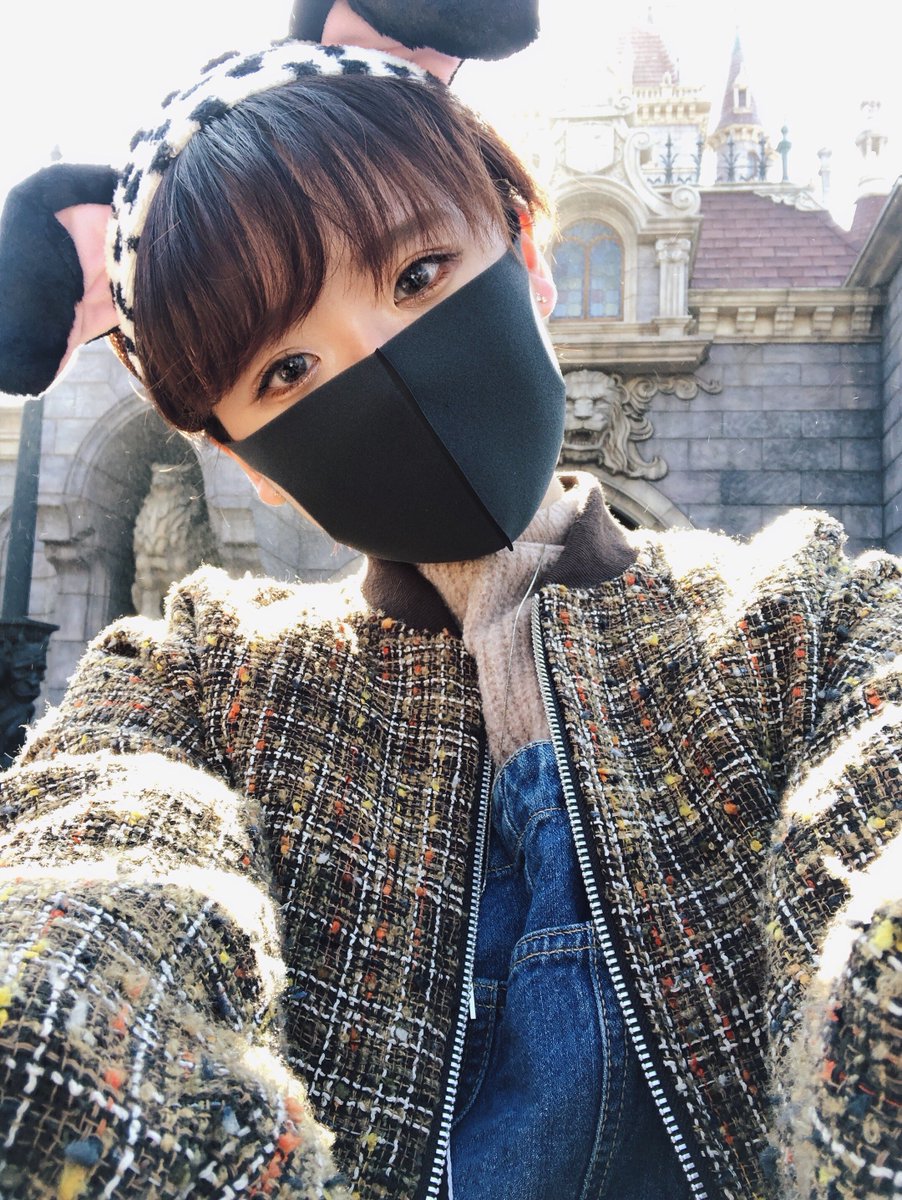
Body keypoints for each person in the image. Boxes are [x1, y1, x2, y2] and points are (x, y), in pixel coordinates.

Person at [0, 6, 900, 1199]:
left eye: (418, 274)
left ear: (527, 250)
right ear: (247, 460)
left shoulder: (809, 626)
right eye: (287, 369)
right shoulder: (192, 687)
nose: (388, 368)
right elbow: (85, 907)